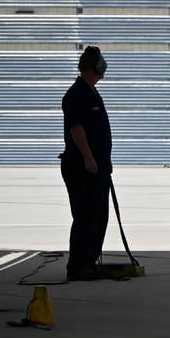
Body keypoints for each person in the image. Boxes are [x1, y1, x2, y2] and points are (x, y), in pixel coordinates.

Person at [61, 46, 112, 281]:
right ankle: (77, 265)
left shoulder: (91, 92)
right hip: (82, 168)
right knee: (84, 216)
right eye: (101, 62)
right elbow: (77, 129)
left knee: (99, 216)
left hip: (96, 168)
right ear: (96, 67)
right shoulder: (76, 94)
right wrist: (89, 158)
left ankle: (89, 262)